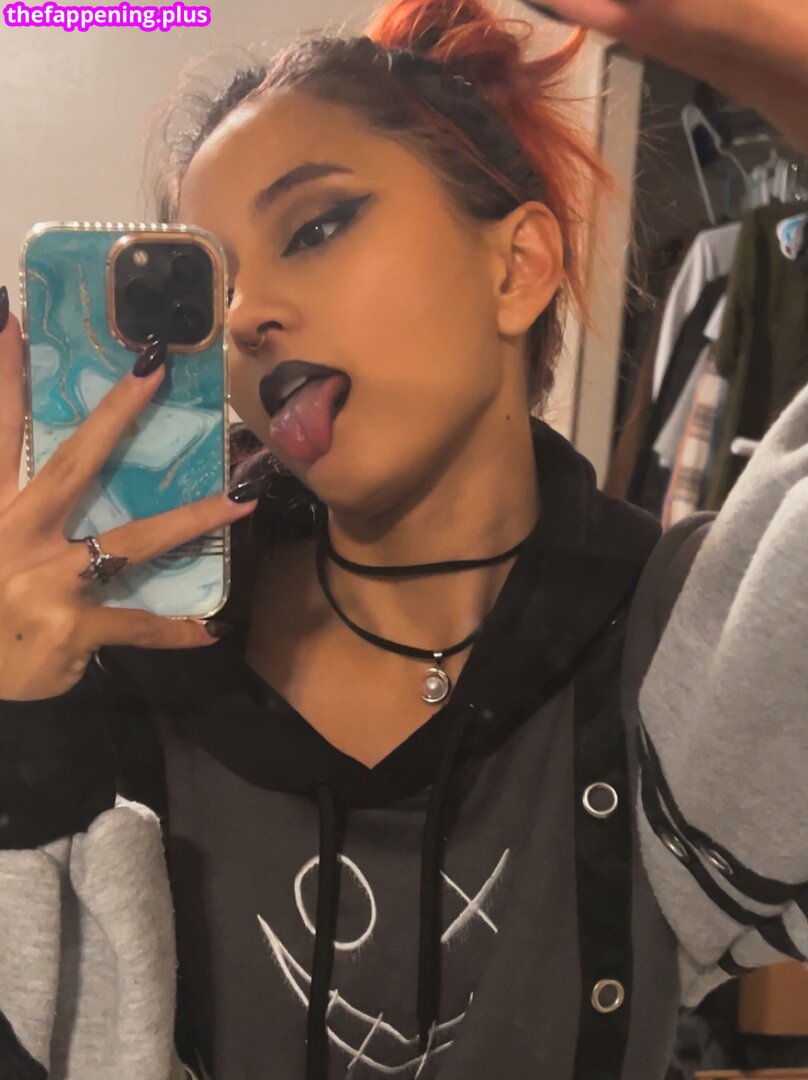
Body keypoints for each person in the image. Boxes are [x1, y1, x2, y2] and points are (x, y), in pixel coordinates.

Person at [0, 1, 806, 1078]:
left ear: (517, 266)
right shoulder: (127, 653)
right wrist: (20, 739)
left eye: (314, 228)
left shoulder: (674, 650)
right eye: (218, 284)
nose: (243, 320)